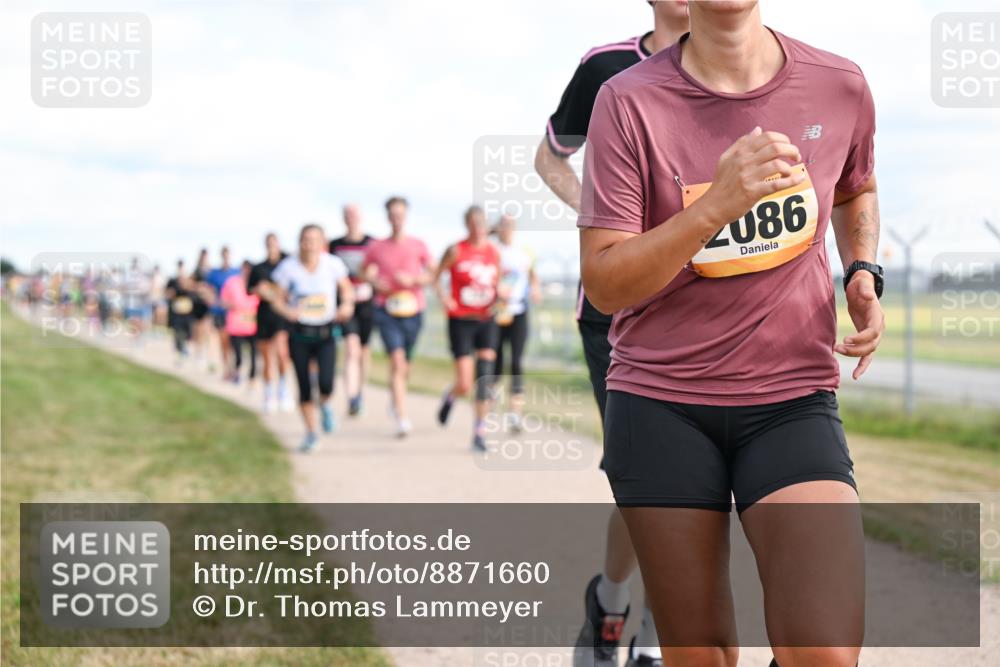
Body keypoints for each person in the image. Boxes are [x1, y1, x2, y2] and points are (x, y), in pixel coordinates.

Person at [579, 1, 882, 665]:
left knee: (825, 651)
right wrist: (716, 205)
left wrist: (862, 269)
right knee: (703, 654)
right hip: (661, 402)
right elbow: (604, 281)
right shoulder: (627, 101)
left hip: (791, 398)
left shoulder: (839, 84)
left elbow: (854, 186)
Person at [535, 2, 690, 665]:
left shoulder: (744, 66)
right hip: (617, 310)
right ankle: (611, 600)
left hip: (706, 300)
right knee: (647, 475)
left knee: (697, 481)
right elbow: (550, 158)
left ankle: (656, 634)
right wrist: (605, 217)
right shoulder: (606, 67)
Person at [265, 224, 355, 452]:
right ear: (300, 242)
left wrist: (346, 305)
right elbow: (276, 299)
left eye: (315, 240)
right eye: (306, 239)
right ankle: (312, 433)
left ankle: (325, 404)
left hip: (325, 332)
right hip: (300, 334)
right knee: (304, 386)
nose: (310, 244)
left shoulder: (333, 264)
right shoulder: (288, 268)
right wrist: (287, 311)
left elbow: (347, 290)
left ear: (323, 242)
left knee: (326, 383)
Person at [363, 196, 434, 438]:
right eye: (393, 215)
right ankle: (402, 417)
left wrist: (413, 280)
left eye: (400, 215)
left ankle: (396, 398)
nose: (397, 219)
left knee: (406, 366)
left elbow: (432, 274)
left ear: (406, 216)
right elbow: (363, 271)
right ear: (387, 217)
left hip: (414, 310)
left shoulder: (418, 245)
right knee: (396, 361)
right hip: (386, 310)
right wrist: (375, 282)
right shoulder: (377, 246)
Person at [433, 205, 501, 451]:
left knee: (484, 377)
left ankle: (479, 432)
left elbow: (497, 281)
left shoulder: (493, 252)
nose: (477, 228)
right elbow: (436, 276)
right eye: (472, 223)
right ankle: (451, 396)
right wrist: (445, 298)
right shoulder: (456, 250)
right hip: (461, 320)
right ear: (466, 225)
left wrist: (501, 294)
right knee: (464, 382)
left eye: (481, 223)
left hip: (486, 319)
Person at [492, 214, 541, 432]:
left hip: (519, 311)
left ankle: (515, 413)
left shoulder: (524, 251)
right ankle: (490, 402)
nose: (507, 228)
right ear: (498, 228)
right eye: (504, 225)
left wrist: (536, 289)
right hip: (496, 312)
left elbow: (532, 275)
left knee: (516, 362)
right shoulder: (493, 250)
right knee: (496, 360)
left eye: (511, 225)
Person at [329, 204, 376, 416]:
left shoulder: (372, 243)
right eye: (347, 215)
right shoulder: (335, 245)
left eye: (354, 214)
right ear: (343, 218)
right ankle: (352, 396)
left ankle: (360, 390)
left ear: (361, 217)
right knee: (351, 348)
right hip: (346, 304)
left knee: (363, 351)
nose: (351, 218)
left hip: (367, 303)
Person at [248, 233, 294, 413]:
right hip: (265, 315)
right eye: (268, 243)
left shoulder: (287, 265)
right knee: (267, 356)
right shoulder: (258, 268)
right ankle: (268, 393)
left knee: (282, 353)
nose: (271, 246)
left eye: (274, 243)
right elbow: (249, 289)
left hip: (281, 315)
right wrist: (259, 290)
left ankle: (283, 389)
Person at [221, 260, 260, 386]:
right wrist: (234, 305)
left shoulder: (257, 284)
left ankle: (252, 377)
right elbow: (223, 301)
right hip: (236, 325)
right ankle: (237, 373)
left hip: (253, 325)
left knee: (254, 353)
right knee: (238, 353)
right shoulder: (232, 282)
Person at [205, 246, 240, 380]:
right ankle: (227, 368)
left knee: (234, 343)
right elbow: (208, 289)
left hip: (235, 312)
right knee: (224, 341)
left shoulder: (236, 272)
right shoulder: (214, 273)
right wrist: (212, 301)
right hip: (220, 312)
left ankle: (235, 368)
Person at [165, 260, 196, 365]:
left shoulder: (189, 282)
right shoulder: (173, 281)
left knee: (187, 334)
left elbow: (193, 293)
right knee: (178, 334)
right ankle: (180, 352)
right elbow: (167, 293)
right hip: (176, 313)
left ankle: (184, 350)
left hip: (187, 314)